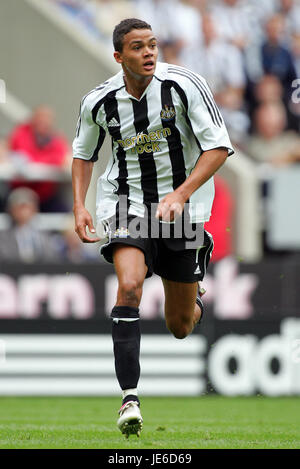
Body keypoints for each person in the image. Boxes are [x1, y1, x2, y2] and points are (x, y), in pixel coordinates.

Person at [72, 18, 233, 438]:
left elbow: (218, 147)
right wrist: (79, 206)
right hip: (126, 203)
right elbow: (83, 154)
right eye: (138, 47)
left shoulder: (184, 85)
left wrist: (180, 193)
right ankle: (129, 397)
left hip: (186, 208)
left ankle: (193, 291)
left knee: (180, 326)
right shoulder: (98, 100)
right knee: (129, 287)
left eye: (153, 45)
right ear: (118, 56)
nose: (148, 53)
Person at [0, 187, 60, 263]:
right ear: (11, 210)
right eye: (20, 208)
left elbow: (51, 259)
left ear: (34, 210)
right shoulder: (3, 238)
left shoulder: (44, 237)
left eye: (28, 207)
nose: (24, 212)